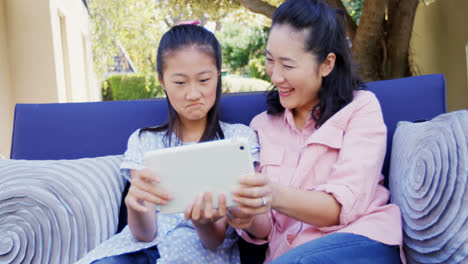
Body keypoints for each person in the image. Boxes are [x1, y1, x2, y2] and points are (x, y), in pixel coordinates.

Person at [227, 0, 404, 263]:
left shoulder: (361, 109)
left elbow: (339, 209)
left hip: (360, 240)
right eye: (269, 60)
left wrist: (272, 193)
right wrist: (247, 215)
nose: (275, 76)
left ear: (326, 64)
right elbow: (266, 229)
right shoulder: (261, 126)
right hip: (290, 255)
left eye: (287, 65)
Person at [76, 23, 259, 264]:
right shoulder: (144, 141)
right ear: (162, 81)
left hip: (198, 255)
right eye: (180, 83)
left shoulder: (239, 140)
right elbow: (144, 234)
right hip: (133, 254)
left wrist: (202, 222)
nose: (193, 94)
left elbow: (215, 240)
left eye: (204, 80)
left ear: (218, 74)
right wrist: (136, 206)